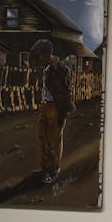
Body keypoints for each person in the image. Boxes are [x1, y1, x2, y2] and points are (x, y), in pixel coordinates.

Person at [29, 39, 75, 183]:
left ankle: (53, 170)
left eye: (39, 56)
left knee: (53, 141)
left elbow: (65, 92)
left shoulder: (60, 69)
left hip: (56, 108)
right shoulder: (46, 68)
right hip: (46, 106)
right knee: (42, 138)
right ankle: (44, 168)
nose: (38, 59)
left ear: (47, 54)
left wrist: (62, 112)